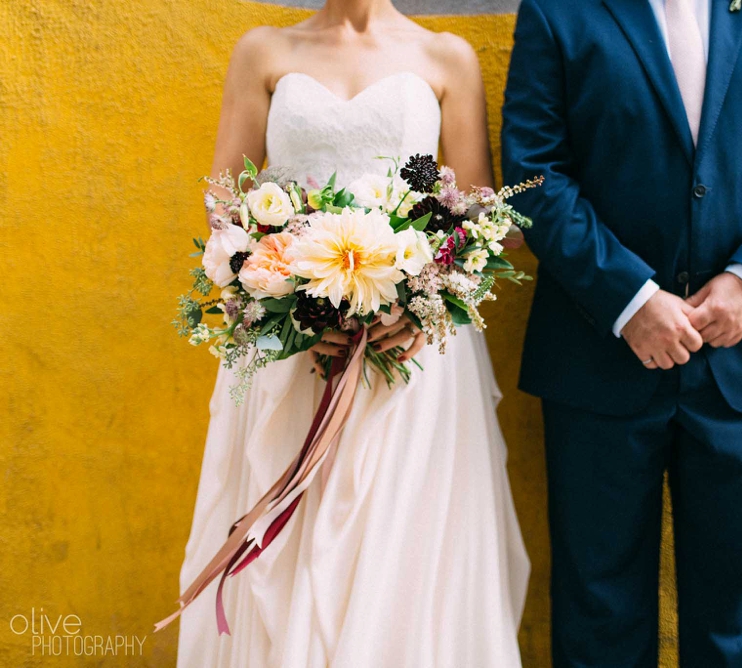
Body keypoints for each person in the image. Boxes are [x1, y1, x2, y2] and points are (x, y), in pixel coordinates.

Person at [177, 2, 529, 665]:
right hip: (289, 347)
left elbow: (480, 217)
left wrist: (418, 298)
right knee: (282, 548)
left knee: (402, 539)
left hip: (411, 357)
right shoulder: (264, 51)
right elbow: (224, 203)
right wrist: (288, 293)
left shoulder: (447, 57)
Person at [502, 0, 742, 665]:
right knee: (598, 609)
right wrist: (629, 300)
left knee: (733, 619)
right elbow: (533, 172)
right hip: (595, 358)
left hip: (741, 362)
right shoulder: (555, 10)